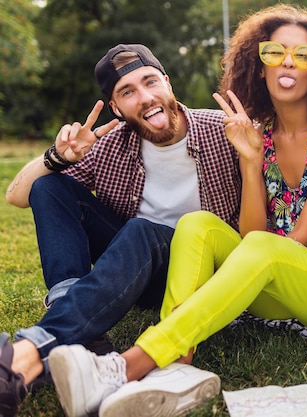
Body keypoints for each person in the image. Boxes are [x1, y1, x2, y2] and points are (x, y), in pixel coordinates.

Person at [47, 5, 307, 417]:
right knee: (197, 224)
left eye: (304, 55)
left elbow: (300, 239)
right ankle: (178, 367)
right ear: (259, 66)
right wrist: (251, 163)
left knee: (265, 248)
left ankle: (129, 365)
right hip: (276, 286)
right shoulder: (259, 134)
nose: (288, 62)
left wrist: (233, 274)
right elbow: (249, 235)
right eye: (275, 52)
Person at [0, 44, 242, 417]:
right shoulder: (111, 144)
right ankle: (81, 329)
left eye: (149, 82)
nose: (144, 98)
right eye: (127, 92)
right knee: (49, 186)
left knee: (143, 230)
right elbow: (17, 195)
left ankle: (29, 354)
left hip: (201, 273)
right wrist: (58, 157)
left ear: (167, 81)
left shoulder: (221, 130)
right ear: (116, 108)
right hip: (135, 269)